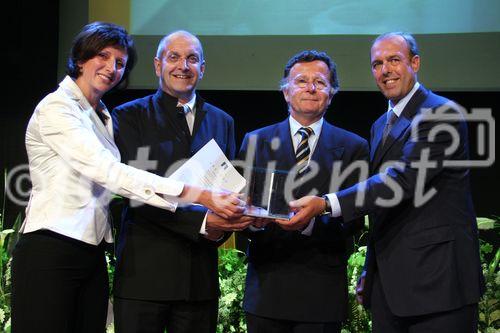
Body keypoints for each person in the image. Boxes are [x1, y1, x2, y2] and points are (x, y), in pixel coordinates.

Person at [10, 22, 242, 333]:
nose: (111, 68)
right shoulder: (58, 107)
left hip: (91, 251)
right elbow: (111, 173)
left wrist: (224, 221)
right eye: (102, 57)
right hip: (51, 246)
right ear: (80, 58)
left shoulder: (101, 114)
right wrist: (196, 195)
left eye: (119, 63)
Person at [283, 32, 484, 332]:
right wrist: (372, 270)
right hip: (392, 289)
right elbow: (383, 210)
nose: (385, 70)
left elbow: (401, 181)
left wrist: (326, 203)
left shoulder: (440, 113)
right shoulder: (381, 125)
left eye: (394, 60)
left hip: (440, 285)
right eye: (377, 64)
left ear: (415, 63)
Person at [111, 30, 252, 333]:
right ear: (157, 64)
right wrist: (203, 224)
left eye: (192, 59)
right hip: (143, 278)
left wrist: (234, 216)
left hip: (198, 281)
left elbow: (227, 188)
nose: (182, 66)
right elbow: (135, 194)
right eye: (173, 57)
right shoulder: (128, 116)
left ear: (203, 68)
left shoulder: (222, 121)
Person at [238, 50, 368, 333]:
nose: (311, 88)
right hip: (266, 288)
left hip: (321, 291)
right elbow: (240, 208)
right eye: (301, 81)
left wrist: (310, 221)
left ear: (331, 93)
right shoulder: (255, 141)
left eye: (320, 82)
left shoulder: (354, 146)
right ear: (285, 91)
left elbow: (356, 218)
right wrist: (254, 224)